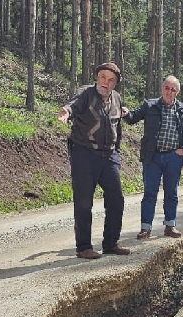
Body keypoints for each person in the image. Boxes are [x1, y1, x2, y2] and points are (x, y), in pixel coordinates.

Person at [58, 62, 130, 259]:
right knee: (83, 202)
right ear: (98, 77)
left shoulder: (116, 99)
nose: (105, 82)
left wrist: (117, 151)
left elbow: (118, 128)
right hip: (84, 153)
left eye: (110, 80)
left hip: (109, 156)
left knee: (116, 200)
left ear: (115, 84)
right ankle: (84, 247)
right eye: (103, 77)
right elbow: (73, 106)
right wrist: (66, 112)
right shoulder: (86, 94)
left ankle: (110, 243)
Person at [123, 75, 183, 239]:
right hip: (153, 157)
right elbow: (132, 118)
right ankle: (146, 228)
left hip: (174, 158)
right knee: (150, 193)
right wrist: (125, 112)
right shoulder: (149, 106)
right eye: (167, 88)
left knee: (171, 193)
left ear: (177, 92)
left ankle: (170, 226)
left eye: (173, 89)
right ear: (162, 88)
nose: (169, 92)